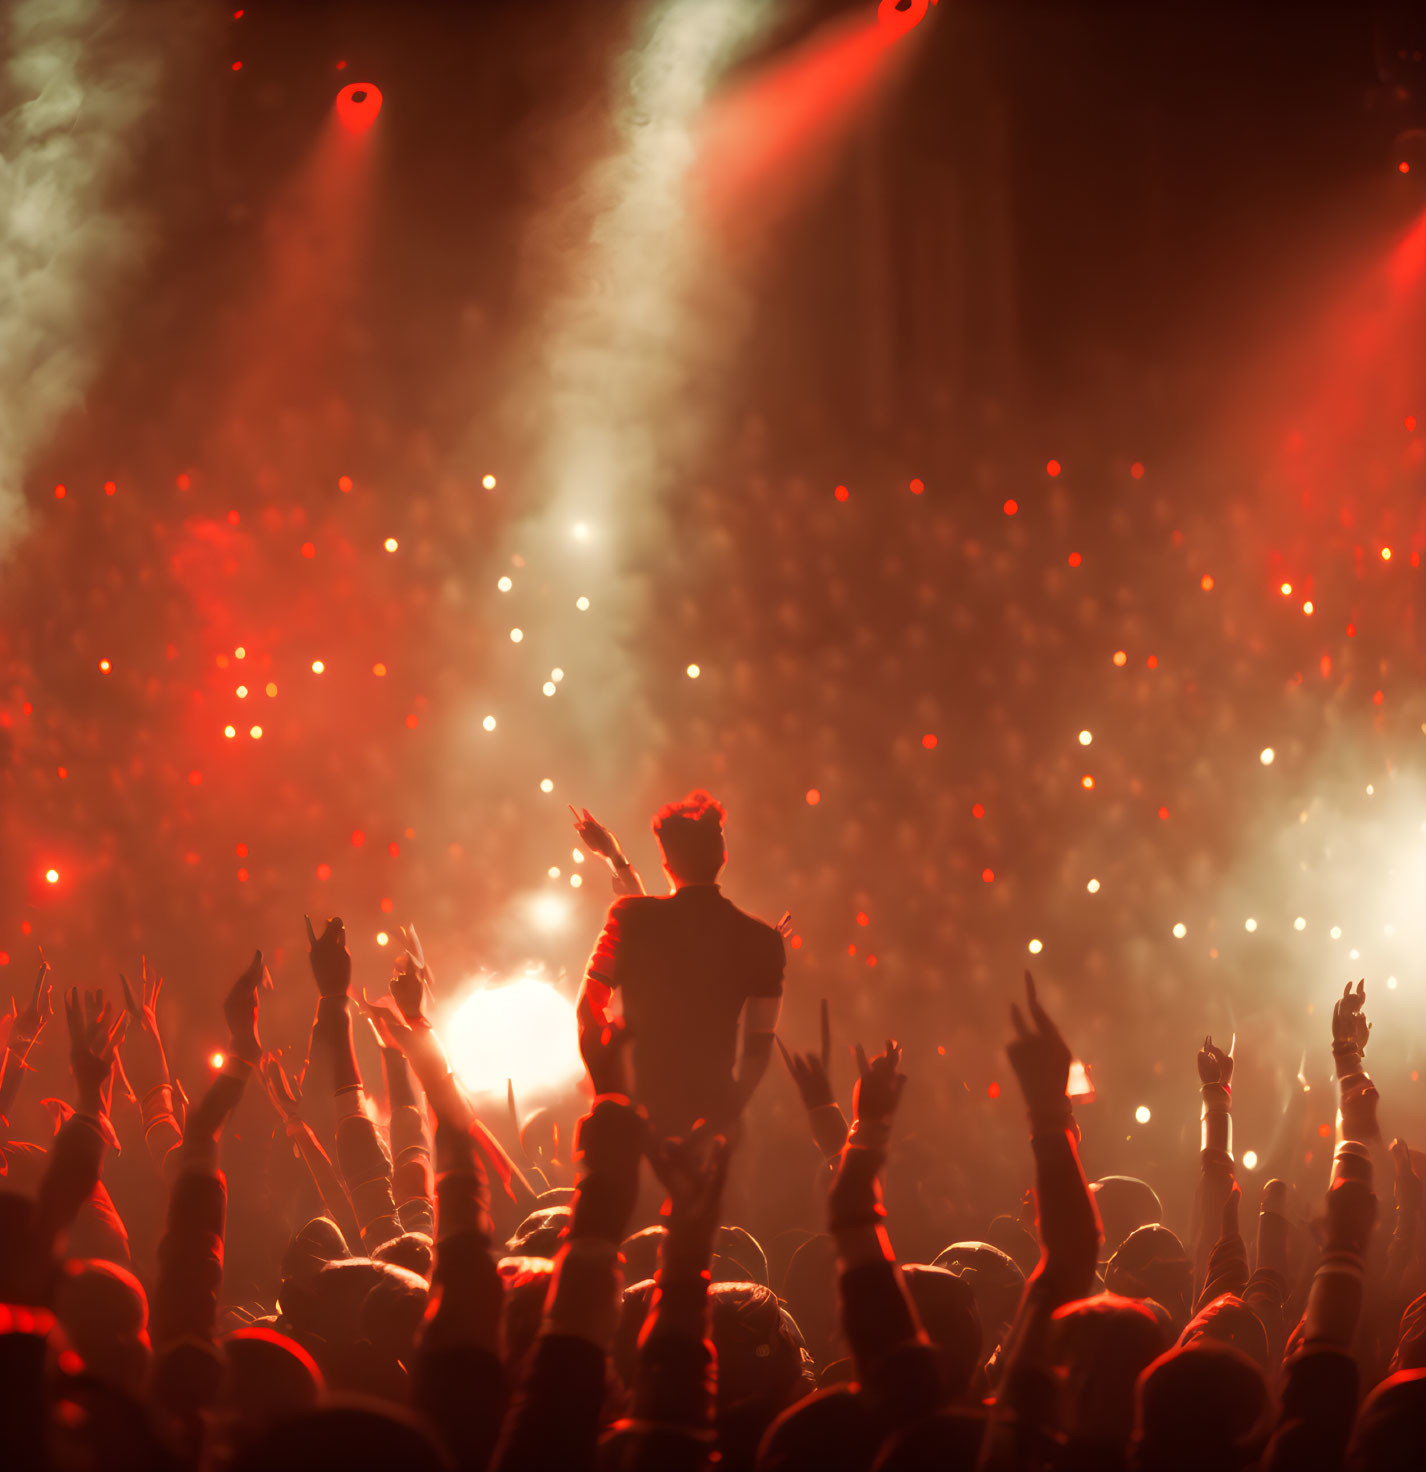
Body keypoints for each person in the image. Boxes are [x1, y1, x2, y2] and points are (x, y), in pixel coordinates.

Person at [573, 791, 785, 1137]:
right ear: (723, 856)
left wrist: (611, 1093)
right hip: (715, 1125)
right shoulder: (763, 941)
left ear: (666, 864)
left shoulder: (630, 920)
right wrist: (719, 1123)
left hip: (639, 1124)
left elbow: (589, 1010)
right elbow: (758, 1051)